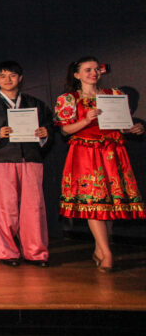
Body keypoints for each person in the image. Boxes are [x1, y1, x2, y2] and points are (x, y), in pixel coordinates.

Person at [54, 56, 145, 272]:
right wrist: (86, 120)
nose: (93, 73)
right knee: (94, 202)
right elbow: (65, 130)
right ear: (77, 74)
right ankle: (107, 252)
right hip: (86, 153)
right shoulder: (69, 99)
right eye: (88, 70)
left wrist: (132, 128)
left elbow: (119, 125)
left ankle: (100, 248)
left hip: (112, 152)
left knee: (109, 202)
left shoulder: (113, 94)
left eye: (96, 69)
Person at [0, 61, 53, 267]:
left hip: (31, 158)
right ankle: (6, 252)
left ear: (20, 78)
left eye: (12, 75)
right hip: (2, 159)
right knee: (5, 208)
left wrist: (45, 133)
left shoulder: (35, 104)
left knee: (34, 207)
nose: (8, 80)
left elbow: (49, 126)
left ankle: (35, 252)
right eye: (3, 76)